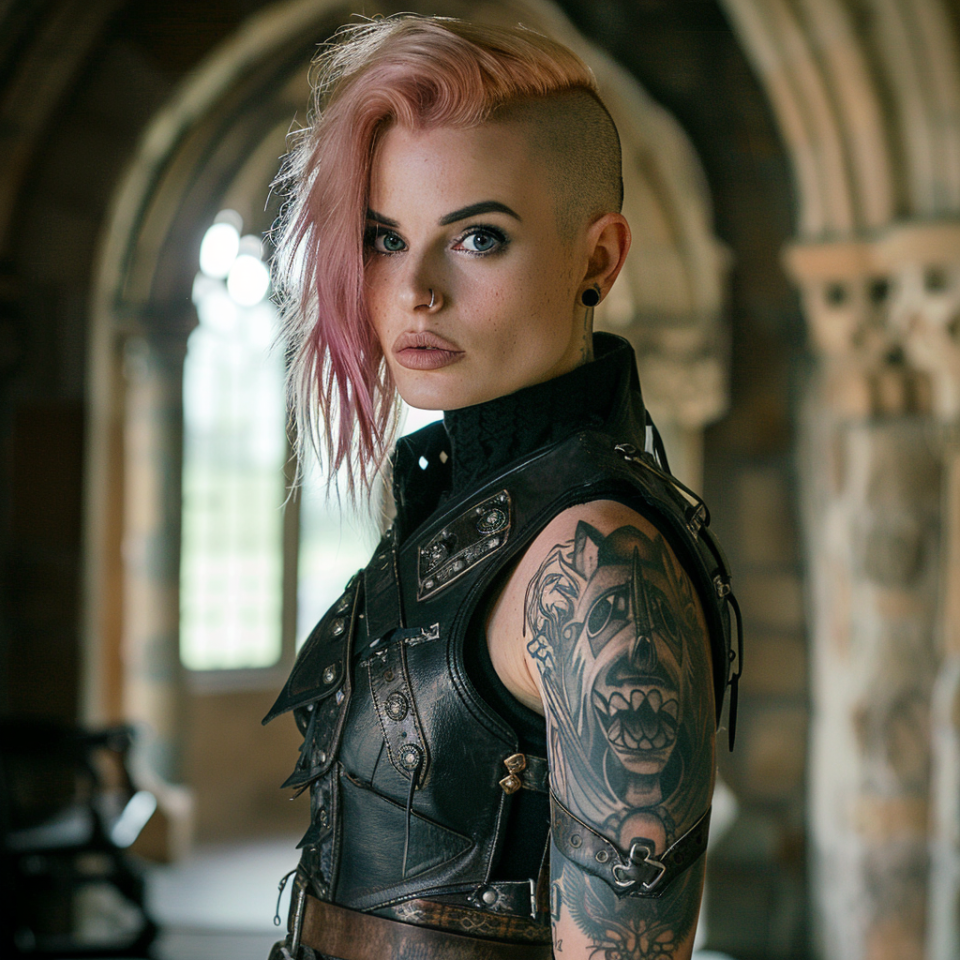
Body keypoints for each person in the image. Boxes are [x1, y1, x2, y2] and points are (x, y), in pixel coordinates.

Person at [263, 15, 741, 960]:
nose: (415, 292)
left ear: (597, 259)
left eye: (478, 238)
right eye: (384, 238)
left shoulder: (603, 566)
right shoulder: (466, 508)